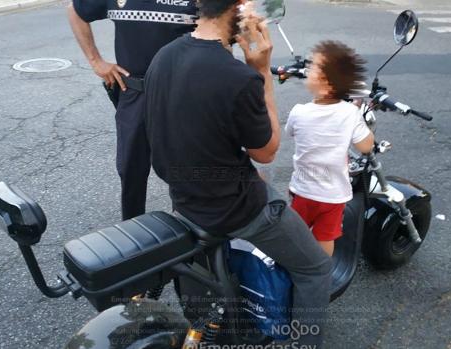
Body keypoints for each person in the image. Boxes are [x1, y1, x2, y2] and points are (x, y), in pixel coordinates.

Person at [144, 0, 332, 347]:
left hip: (184, 197)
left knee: (260, 182)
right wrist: (261, 70)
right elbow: (267, 151)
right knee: (316, 269)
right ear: (238, 9)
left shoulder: (163, 56)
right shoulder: (238, 77)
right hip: (232, 209)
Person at [67, 0, 197, 220]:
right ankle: (132, 233)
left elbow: (221, 30)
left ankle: (191, 232)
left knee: (186, 169)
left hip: (183, 94)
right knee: (130, 171)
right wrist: (96, 61)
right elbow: (75, 11)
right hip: (135, 92)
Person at [286, 41, 375, 256]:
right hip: (332, 195)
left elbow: (291, 132)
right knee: (325, 236)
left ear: (326, 84)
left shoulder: (298, 112)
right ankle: (322, 271)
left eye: (312, 67)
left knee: (295, 233)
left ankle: (293, 265)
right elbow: (365, 146)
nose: (307, 70)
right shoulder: (350, 113)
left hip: (303, 190)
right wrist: (359, 115)